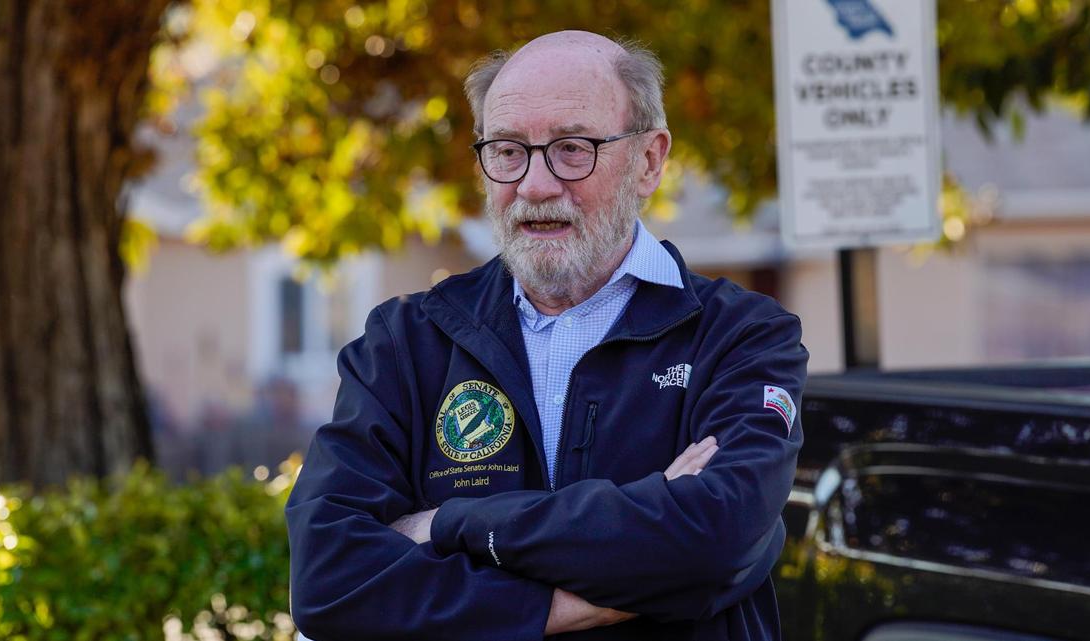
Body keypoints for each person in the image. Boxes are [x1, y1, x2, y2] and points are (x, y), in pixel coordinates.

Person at [286, 30, 808, 641]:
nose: (535, 185)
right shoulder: (407, 342)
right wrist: (563, 606)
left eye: (571, 148)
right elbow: (328, 580)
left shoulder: (741, 337)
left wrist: (452, 523)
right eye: (508, 151)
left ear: (649, 160)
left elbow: (719, 535)